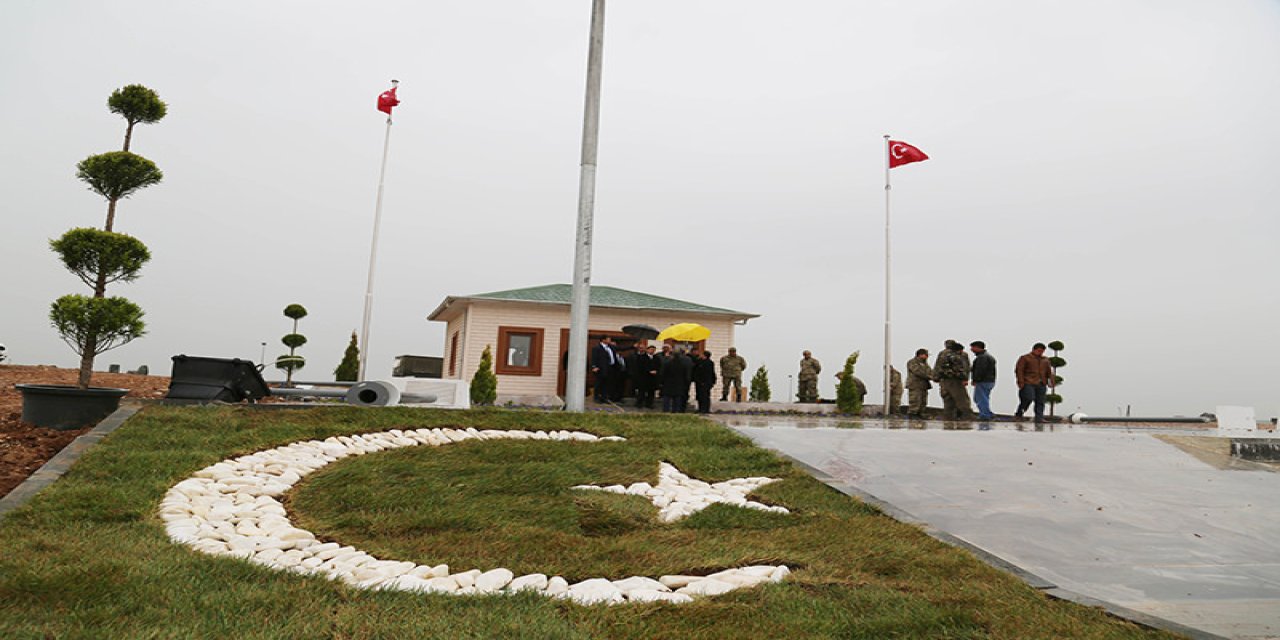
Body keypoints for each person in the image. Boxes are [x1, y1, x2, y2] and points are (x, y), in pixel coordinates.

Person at [1015, 342, 1054, 422]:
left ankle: (1039, 417)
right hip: (1028, 382)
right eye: (1039, 351)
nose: (1040, 353)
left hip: (1041, 383)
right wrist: (1021, 382)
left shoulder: (1045, 360)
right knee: (1028, 398)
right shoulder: (1025, 358)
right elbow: (1019, 370)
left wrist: (1051, 381)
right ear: (1034, 350)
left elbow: (1049, 372)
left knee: (1040, 401)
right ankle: (1019, 413)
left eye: (1042, 351)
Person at [934, 340, 972, 420]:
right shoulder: (956, 356)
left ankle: (948, 419)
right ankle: (967, 418)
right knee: (963, 400)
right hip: (955, 380)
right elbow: (962, 369)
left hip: (944, 381)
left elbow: (937, 367)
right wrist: (964, 378)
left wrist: (936, 377)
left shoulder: (942, 354)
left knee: (948, 401)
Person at [660, 347, 693, 413]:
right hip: (679, 383)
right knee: (677, 399)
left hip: (668, 383)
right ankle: (676, 411)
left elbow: (662, 373)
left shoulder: (667, 363)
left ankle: (666, 411)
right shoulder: (683, 364)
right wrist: (686, 383)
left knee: (667, 398)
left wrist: (661, 382)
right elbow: (686, 375)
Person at [969, 341, 997, 420]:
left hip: (983, 381)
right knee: (984, 398)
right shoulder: (988, 356)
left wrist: (975, 380)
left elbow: (980, 370)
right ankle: (987, 413)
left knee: (980, 398)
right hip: (989, 381)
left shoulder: (982, 357)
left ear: (977, 347)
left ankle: (985, 415)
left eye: (972, 347)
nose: (971, 349)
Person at [905, 350, 932, 418]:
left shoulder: (925, 364)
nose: (927, 356)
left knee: (923, 401)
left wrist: (933, 376)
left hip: (924, 385)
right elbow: (918, 372)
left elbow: (930, 371)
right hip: (915, 385)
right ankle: (912, 414)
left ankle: (921, 413)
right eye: (925, 355)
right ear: (920, 355)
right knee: (915, 401)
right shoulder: (912, 362)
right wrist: (930, 377)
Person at [590, 336, 617, 403]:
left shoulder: (611, 347)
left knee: (607, 384)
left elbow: (621, 348)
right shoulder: (597, 348)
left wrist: (632, 346)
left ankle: (604, 397)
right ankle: (596, 397)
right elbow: (594, 358)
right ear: (603, 340)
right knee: (599, 383)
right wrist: (594, 366)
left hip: (610, 368)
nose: (610, 340)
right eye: (608, 339)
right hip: (601, 368)